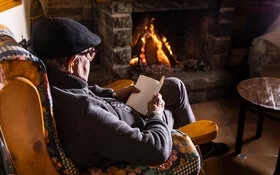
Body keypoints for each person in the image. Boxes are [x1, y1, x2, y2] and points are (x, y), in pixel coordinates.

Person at [31, 17, 229, 170]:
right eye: (90, 53)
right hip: (140, 131)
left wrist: (114, 95)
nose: (91, 58)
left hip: (122, 113)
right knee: (171, 110)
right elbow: (156, 150)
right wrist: (156, 114)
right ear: (72, 61)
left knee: (175, 86)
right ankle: (200, 146)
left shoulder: (53, 83)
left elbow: (86, 92)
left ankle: (203, 147)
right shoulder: (85, 115)